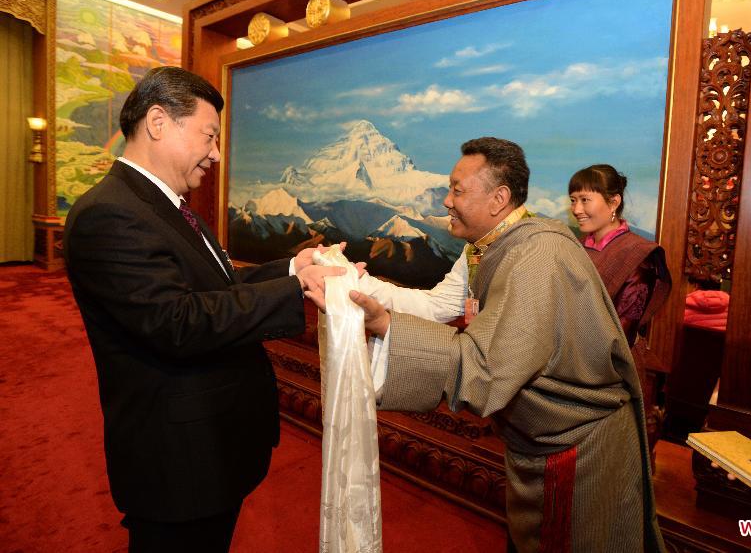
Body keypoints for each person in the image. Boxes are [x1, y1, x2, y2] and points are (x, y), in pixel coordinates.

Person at [312, 138, 665, 552]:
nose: (446, 201)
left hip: (578, 448)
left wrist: (385, 324)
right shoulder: (486, 247)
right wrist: (359, 286)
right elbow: (439, 304)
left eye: (457, 190)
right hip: (539, 439)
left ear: (499, 198)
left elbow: (486, 367)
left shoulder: (536, 256)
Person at [63, 66, 339, 552]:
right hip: (177, 460)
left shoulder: (162, 203)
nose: (215, 154)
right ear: (157, 122)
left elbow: (217, 286)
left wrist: (291, 269)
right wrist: (295, 291)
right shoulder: (110, 213)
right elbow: (178, 322)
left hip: (209, 446)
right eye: (209, 136)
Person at [569, 164, 671, 449]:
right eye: (573, 200)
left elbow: (622, 329)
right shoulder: (575, 247)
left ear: (614, 201)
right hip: (569, 365)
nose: (577, 209)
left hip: (611, 373)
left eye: (585, 199)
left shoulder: (638, 254)